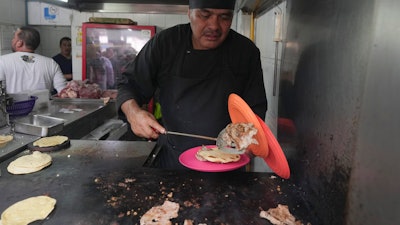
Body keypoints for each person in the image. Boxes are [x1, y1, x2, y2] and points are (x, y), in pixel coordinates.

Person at [117, 0, 267, 169]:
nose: (214, 26)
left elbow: (256, 111)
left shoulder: (245, 52)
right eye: (205, 15)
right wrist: (134, 114)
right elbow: (129, 85)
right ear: (190, 13)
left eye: (224, 17)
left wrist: (251, 141)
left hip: (228, 165)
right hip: (172, 162)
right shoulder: (165, 44)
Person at [0, 26, 67, 94]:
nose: (12, 40)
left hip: (13, 105)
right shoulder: (51, 63)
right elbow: (64, 92)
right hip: (43, 104)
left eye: (14, 38)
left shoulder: (2, 61)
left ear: (19, 43)